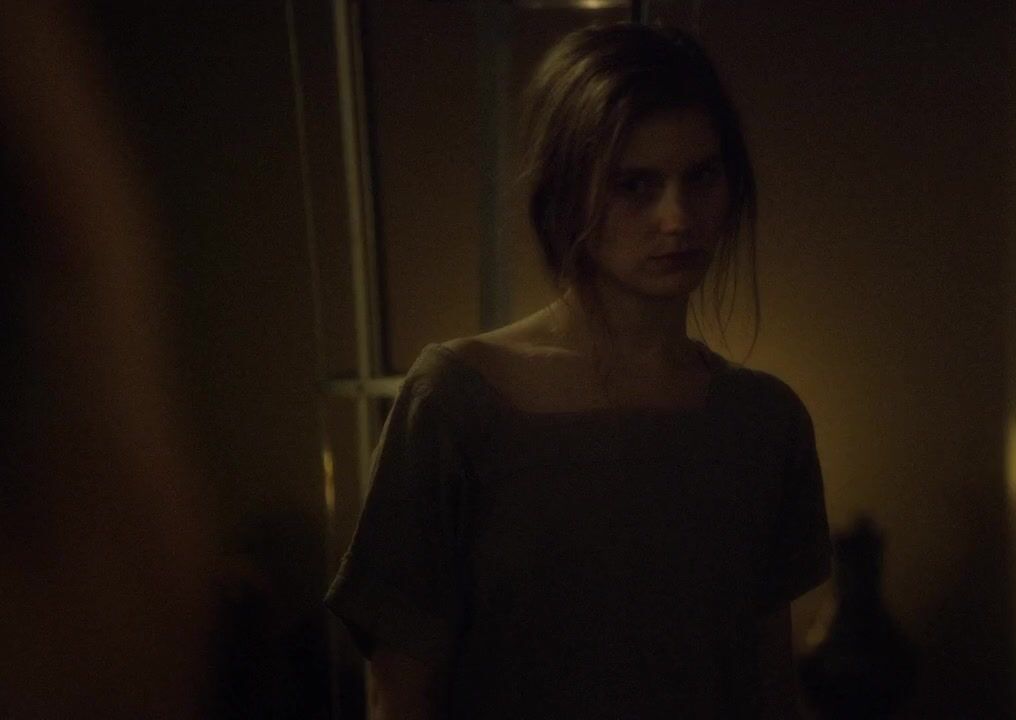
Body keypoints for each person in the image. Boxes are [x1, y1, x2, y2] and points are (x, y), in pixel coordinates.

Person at [325, 22, 831, 719]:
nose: (677, 218)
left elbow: (767, 686)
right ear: (568, 193)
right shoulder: (459, 402)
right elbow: (400, 693)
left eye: (701, 177)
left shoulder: (763, 421)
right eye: (635, 185)